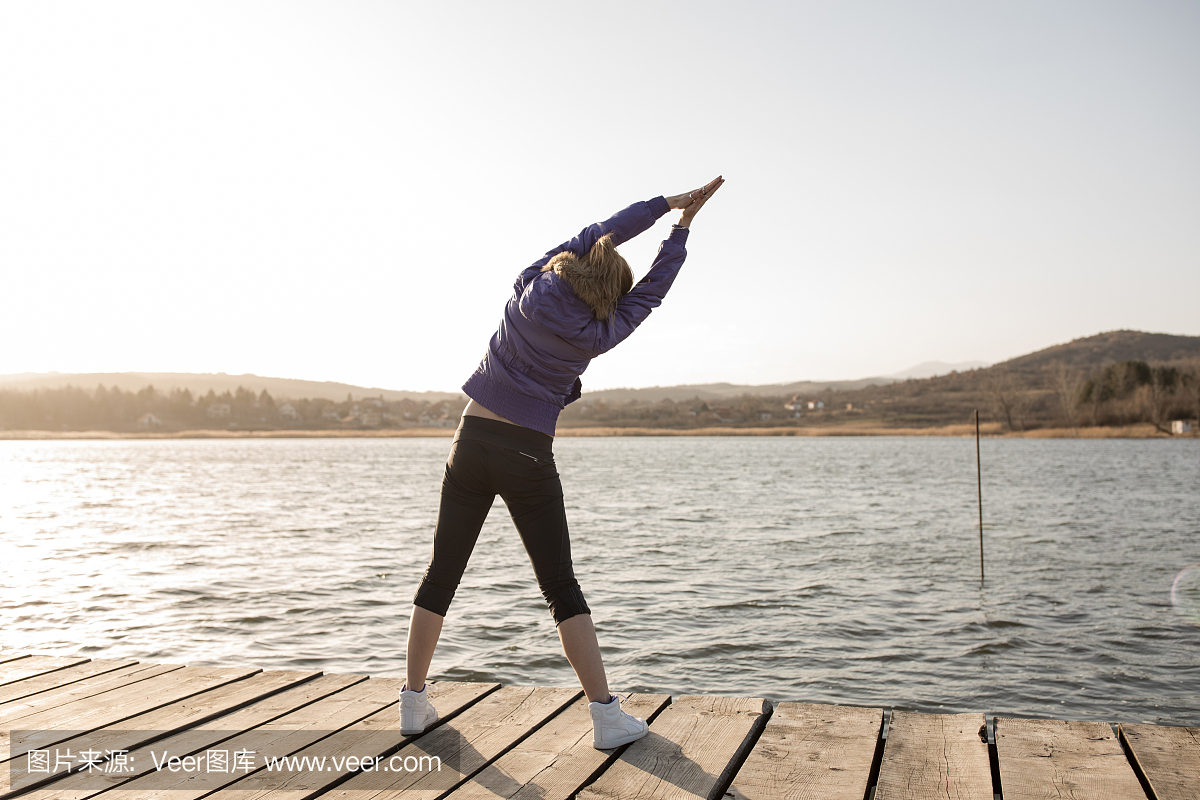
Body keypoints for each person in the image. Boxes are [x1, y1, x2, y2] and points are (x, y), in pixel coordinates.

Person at [400, 176, 725, 749]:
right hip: (527, 452)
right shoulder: (600, 334)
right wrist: (682, 231)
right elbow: (652, 291)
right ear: (609, 293)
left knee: (440, 573)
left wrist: (665, 204)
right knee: (560, 586)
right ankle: (605, 716)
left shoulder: (532, 285)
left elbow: (600, 230)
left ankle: (412, 703)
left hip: (470, 438)